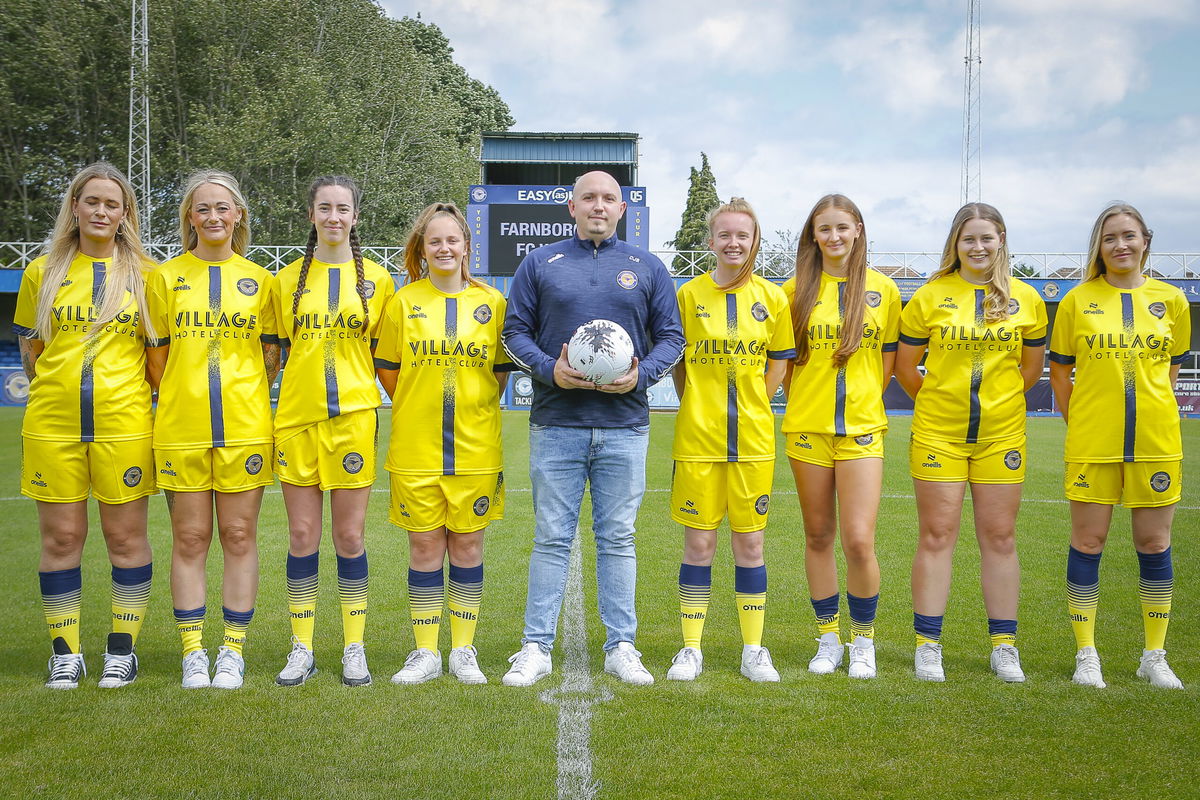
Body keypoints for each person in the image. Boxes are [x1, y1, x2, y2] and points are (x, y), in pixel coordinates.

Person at [500, 170, 685, 687]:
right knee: (552, 538)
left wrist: (639, 376)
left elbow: (672, 338)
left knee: (618, 538)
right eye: (588, 198)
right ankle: (535, 647)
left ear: (622, 209)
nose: (598, 206)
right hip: (556, 422)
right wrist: (548, 370)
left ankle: (621, 645)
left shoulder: (647, 267)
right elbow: (513, 333)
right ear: (571, 207)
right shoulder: (540, 263)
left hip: (625, 426)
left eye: (608, 198)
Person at [13, 162, 157, 689]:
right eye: (91, 201)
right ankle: (66, 653)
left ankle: (122, 649)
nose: (101, 211)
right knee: (62, 538)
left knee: (125, 539)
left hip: (126, 426)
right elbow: (33, 352)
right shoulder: (42, 271)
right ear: (74, 207)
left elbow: (154, 356)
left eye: (112, 204)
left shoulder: (145, 275)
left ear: (125, 215)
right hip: (53, 426)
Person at [895, 202, 1047, 683]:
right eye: (968, 239)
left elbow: (1030, 370)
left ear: (1001, 239)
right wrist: (943, 402)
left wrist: (997, 404)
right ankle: (927, 644)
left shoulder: (1027, 299)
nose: (978, 247)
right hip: (939, 434)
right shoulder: (930, 296)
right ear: (955, 245)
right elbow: (904, 369)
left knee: (1000, 539)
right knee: (937, 536)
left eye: (986, 237)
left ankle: (1004, 645)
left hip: (1002, 436)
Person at [145, 170, 279, 689]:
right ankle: (193, 651)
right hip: (181, 429)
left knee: (240, 535)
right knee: (191, 537)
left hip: (245, 428)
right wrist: (187, 393)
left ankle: (233, 650)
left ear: (238, 215)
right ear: (189, 218)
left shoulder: (261, 281)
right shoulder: (163, 278)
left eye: (223, 208)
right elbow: (157, 361)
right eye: (203, 209)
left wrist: (242, 393)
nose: (214, 217)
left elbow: (269, 356)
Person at [1049, 204, 1190, 690]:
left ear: (1145, 241)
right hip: (1093, 442)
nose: (1120, 245)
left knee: (1154, 543)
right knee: (1088, 542)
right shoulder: (1077, 301)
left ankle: (1154, 654)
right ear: (1099, 246)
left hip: (1156, 442)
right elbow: (1061, 373)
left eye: (1129, 236)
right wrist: (1084, 420)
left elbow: (1171, 370)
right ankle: (1086, 653)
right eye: (1110, 238)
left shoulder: (1171, 300)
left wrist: (1153, 411)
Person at [375, 203, 512, 685]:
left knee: (469, 547)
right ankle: (425, 651)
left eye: (453, 240)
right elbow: (389, 372)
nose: (444, 248)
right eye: (435, 241)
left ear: (466, 247)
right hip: (416, 450)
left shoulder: (492, 303)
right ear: (422, 249)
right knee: (425, 549)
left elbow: (498, 373)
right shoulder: (402, 302)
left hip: (476, 450)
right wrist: (420, 405)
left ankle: (463, 650)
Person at [272, 175, 395, 687]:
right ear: (311, 215)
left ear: (355, 216)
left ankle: (353, 645)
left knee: (348, 535)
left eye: (343, 209)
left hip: (352, 419)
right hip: (296, 419)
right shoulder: (283, 282)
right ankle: (301, 647)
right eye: (324, 208)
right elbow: (273, 352)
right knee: (302, 535)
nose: (334, 217)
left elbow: (383, 355)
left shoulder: (378, 282)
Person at [666, 198, 795, 683]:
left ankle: (753, 649)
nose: (733, 243)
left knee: (751, 545)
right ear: (711, 241)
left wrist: (753, 403)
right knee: (698, 544)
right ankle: (691, 649)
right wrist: (700, 402)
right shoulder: (688, 296)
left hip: (755, 443)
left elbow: (779, 363)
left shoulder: (773, 298)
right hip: (698, 441)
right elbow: (679, 368)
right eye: (724, 235)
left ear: (754, 240)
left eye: (742, 235)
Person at [781, 194, 900, 680]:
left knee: (857, 538)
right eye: (824, 229)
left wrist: (861, 402)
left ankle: (863, 639)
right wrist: (807, 400)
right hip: (808, 429)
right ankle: (828, 637)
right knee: (818, 535)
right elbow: (786, 366)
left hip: (863, 431)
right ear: (813, 235)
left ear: (858, 231)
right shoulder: (793, 291)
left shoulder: (884, 290)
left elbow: (887, 364)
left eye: (842, 228)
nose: (833, 237)